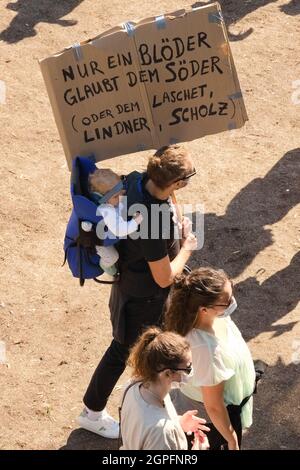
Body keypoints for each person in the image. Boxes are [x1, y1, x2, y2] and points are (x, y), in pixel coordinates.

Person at [78, 145, 198, 438]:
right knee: (122, 350)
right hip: (142, 299)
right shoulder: (153, 223)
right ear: (175, 182)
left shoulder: (135, 179)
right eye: (187, 178)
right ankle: (92, 413)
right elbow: (163, 277)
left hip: (129, 287)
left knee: (133, 350)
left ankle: (146, 393)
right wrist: (186, 248)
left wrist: (176, 224)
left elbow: (166, 204)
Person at [164, 267, 256, 450]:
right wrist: (231, 439)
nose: (232, 303)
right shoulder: (205, 349)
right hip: (209, 423)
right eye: (226, 301)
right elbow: (214, 406)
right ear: (204, 309)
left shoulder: (207, 318)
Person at [120, 327, 210, 450]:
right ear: (168, 373)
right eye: (188, 368)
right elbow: (156, 431)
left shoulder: (133, 385)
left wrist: (178, 423)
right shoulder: (162, 432)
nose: (192, 370)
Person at [82, 168, 143, 277]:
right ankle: (106, 266)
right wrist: (135, 221)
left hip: (110, 230)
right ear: (102, 198)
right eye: (116, 196)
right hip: (101, 241)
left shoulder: (112, 201)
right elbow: (120, 230)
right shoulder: (107, 211)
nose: (120, 197)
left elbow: (121, 204)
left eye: (121, 192)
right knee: (113, 257)